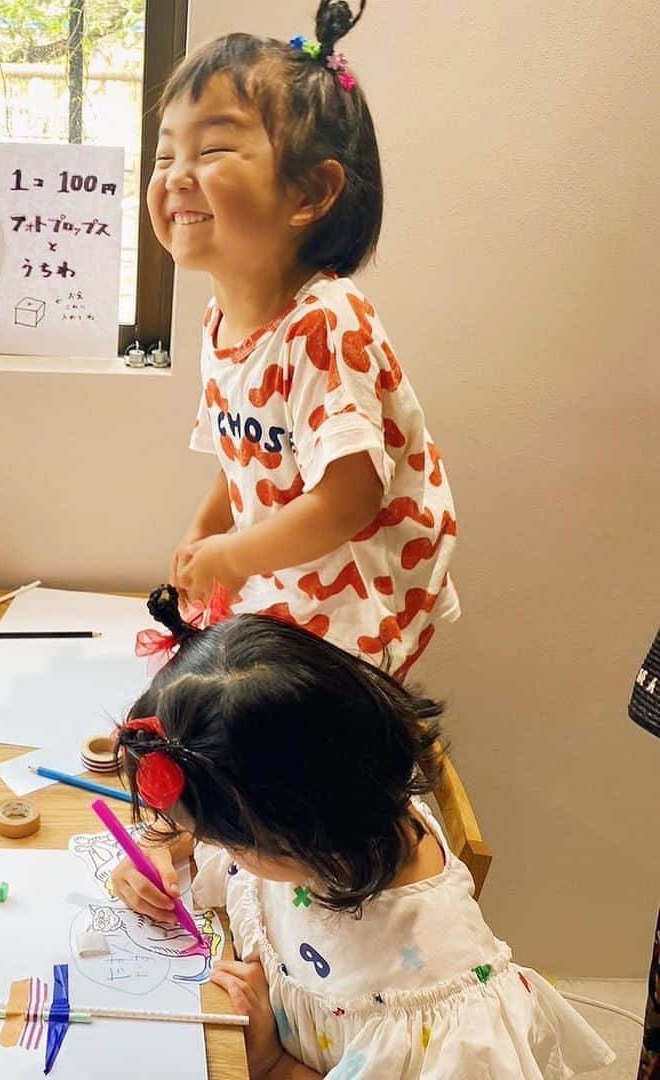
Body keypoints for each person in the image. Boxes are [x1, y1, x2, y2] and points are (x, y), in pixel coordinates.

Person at [112, 594, 614, 1077]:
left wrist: (270, 1064)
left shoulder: (444, 1008)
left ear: (295, 833)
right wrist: (156, 843)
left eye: (224, 840)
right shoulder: (342, 794)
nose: (216, 848)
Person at [150, 2, 457, 677]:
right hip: (293, 576)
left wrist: (235, 555)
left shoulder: (324, 323)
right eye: (166, 151)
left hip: (356, 598)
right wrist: (209, 529)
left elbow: (349, 498)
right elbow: (248, 458)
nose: (175, 173)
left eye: (213, 149)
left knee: (309, 752)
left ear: (309, 193)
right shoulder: (222, 322)